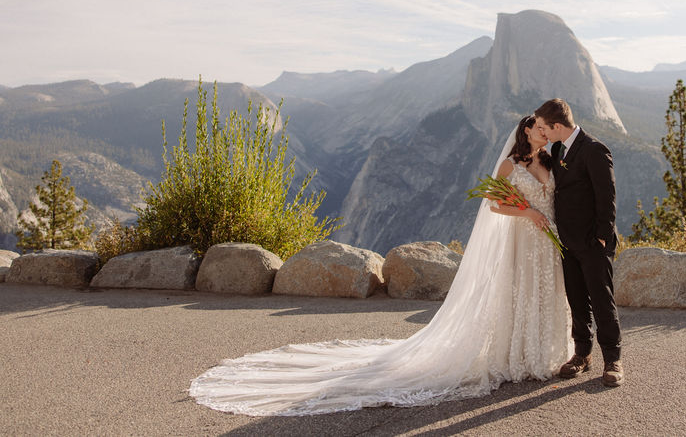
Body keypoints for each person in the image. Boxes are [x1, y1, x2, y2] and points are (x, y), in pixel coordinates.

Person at [188, 115, 571, 416]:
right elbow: (492, 206)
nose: (539, 131)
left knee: (545, 293)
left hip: (547, 241)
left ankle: (543, 352)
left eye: (543, 128)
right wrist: (526, 213)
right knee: (519, 292)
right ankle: (518, 356)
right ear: (524, 132)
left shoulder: (551, 160)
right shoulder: (508, 166)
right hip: (524, 238)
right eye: (534, 127)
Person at [533, 98, 623, 388]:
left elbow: (607, 197)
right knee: (577, 300)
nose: (543, 133)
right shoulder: (558, 148)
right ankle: (582, 355)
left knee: (601, 301)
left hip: (593, 242)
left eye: (545, 128)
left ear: (558, 126)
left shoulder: (595, 149)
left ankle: (613, 360)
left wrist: (601, 238)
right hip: (567, 241)